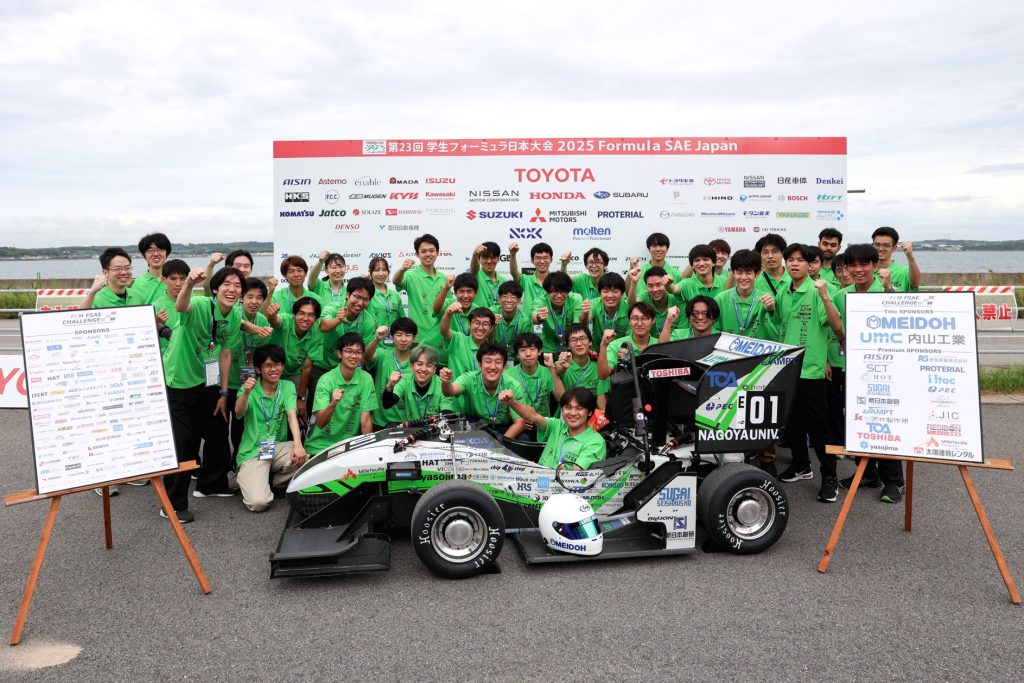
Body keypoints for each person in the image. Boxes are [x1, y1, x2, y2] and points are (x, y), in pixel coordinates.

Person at [161, 266, 246, 522]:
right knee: (184, 441)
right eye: (227, 284)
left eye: (237, 285)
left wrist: (223, 392)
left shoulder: (233, 316)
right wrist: (188, 282)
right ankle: (172, 504)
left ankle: (211, 484)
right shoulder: (199, 304)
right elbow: (181, 306)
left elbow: (226, 353)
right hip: (181, 379)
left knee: (218, 428)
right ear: (216, 288)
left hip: (208, 380)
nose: (232, 289)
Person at [771, 244, 845, 503]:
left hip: (810, 370)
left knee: (818, 425)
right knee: (791, 422)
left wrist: (825, 296)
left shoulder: (819, 290)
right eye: (789, 259)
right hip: (786, 368)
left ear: (811, 264)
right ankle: (802, 465)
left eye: (800, 260)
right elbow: (780, 324)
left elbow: (836, 327)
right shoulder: (783, 290)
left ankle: (829, 477)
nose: (794, 264)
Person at [835, 244, 905, 503]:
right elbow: (838, 330)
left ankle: (894, 482)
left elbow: (904, 316)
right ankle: (868, 473)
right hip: (854, 368)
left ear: (875, 265)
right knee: (857, 422)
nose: (858, 269)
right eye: (852, 265)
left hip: (886, 370)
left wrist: (889, 289)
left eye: (864, 264)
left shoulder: (886, 290)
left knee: (884, 424)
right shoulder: (842, 294)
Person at [233, 344, 308, 512]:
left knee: (305, 457)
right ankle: (249, 476)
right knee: (258, 503)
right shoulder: (249, 389)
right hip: (253, 452)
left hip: (276, 447)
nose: (274, 369)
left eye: (278, 364)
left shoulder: (287, 386)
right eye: (268, 365)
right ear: (259, 369)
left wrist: (298, 444)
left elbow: (291, 415)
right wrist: (246, 393)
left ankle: (275, 481)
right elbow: (239, 411)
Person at [499, 387, 607, 470]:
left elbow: (576, 474)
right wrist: (512, 403)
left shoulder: (596, 442)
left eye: (579, 408)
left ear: (590, 412)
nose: (573, 413)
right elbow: (533, 416)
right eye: (568, 408)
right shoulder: (557, 426)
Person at [305, 332, 378, 454]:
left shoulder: (366, 379)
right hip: (320, 445)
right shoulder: (326, 380)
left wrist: (368, 451)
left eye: (358, 352)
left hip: (348, 445)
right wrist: (332, 404)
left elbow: (365, 420)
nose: (354, 356)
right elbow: (321, 423)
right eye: (349, 351)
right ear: (339, 353)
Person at [226, 277, 274, 458]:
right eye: (250, 297)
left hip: (251, 381)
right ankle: (230, 463)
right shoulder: (232, 314)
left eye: (259, 297)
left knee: (246, 423)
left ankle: (244, 459)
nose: (254, 302)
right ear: (241, 298)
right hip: (228, 381)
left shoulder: (262, 320)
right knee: (225, 425)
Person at [440, 342, 527, 437]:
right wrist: (446, 382)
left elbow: (520, 423)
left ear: (504, 366)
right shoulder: (469, 379)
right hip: (476, 426)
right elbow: (450, 391)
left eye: (498, 362)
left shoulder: (513, 385)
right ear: (480, 365)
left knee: (524, 438)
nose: (493, 367)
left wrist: (501, 443)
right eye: (488, 361)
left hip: (503, 428)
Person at [315, 277, 375, 401]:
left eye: (365, 299)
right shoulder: (333, 308)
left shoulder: (368, 321)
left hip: (348, 372)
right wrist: (338, 320)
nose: (360, 303)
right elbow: (323, 326)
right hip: (323, 367)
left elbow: (364, 355)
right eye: (356, 297)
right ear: (347, 294)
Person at [394, 233, 447, 356]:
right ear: (417, 254)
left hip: (439, 338)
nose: (428, 254)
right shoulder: (410, 275)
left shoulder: (443, 279)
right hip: (418, 339)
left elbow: (446, 308)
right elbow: (397, 281)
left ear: (437, 253)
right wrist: (402, 269)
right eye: (423, 251)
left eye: (431, 251)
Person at [364, 317, 418, 428]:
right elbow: (367, 356)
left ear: (414, 338)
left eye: (408, 335)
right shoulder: (382, 354)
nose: (403, 339)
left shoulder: (418, 362)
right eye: (399, 335)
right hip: (380, 422)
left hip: (406, 423)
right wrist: (376, 339)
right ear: (392, 337)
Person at [267, 296, 321, 407]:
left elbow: (307, 368)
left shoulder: (317, 333)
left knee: (297, 410)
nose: (305, 318)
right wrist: (271, 314)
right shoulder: (286, 320)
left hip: (294, 374)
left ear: (316, 319)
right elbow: (275, 321)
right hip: (271, 370)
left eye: (311, 315)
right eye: (301, 313)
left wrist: (301, 398)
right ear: (294, 315)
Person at [381, 345, 454, 423]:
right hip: (410, 430)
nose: (423, 369)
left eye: (429, 365)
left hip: (436, 430)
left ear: (434, 369)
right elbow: (387, 404)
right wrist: (390, 386)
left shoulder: (443, 386)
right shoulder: (404, 380)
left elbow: (447, 415)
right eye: (419, 364)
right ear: (412, 366)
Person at [714, 249, 777, 340]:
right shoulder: (720, 299)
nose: (743, 277)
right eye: (739, 272)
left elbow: (775, 329)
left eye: (748, 272)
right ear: (733, 273)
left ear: (757, 273)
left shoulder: (766, 299)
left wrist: (771, 309)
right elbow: (714, 330)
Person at [598, 301, 658, 390]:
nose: (640, 323)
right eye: (635, 318)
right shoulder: (616, 345)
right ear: (629, 321)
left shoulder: (658, 345)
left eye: (645, 318)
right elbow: (603, 375)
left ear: (653, 320)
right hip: (626, 395)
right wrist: (603, 345)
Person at [510, 332, 554, 439]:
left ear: (540, 351)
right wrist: (518, 420)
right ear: (517, 354)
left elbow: (560, 397)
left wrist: (552, 368)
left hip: (544, 423)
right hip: (521, 424)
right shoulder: (508, 375)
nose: (528, 354)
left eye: (532, 349)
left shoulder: (547, 372)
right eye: (523, 350)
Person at [550, 324, 604, 410]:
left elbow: (601, 399)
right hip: (569, 414)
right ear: (568, 345)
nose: (579, 344)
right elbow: (558, 370)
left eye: (582, 338)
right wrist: (562, 367)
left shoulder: (599, 367)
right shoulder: (562, 363)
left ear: (590, 342)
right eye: (573, 340)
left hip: (592, 417)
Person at [531, 271, 586, 353]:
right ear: (547, 291)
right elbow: (534, 318)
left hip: (571, 346)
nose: (559, 295)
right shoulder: (540, 301)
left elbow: (578, 325)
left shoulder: (575, 299)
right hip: (547, 349)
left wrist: (586, 313)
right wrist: (539, 317)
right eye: (555, 291)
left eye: (563, 291)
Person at [442, 305, 495, 381]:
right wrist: (448, 314)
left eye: (485, 324)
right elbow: (444, 331)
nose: (480, 327)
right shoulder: (458, 339)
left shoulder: (493, 351)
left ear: (491, 328)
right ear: (469, 324)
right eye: (476, 323)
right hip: (456, 392)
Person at [628, 266, 683, 339]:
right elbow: (633, 305)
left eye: (658, 285)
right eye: (650, 286)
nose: (655, 289)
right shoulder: (644, 296)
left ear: (665, 284)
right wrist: (634, 282)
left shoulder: (677, 301)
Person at [634, 232, 683, 300]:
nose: (658, 249)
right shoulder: (638, 272)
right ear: (649, 249)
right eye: (654, 246)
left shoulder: (677, 274)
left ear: (667, 249)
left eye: (661, 245)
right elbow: (628, 295)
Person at [509, 241, 555, 312]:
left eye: (545, 258)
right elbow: (514, 272)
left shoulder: (555, 280)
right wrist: (513, 253)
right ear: (532, 260)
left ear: (551, 260)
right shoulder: (526, 280)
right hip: (528, 322)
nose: (542, 261)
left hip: (550, 322)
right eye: (538, 258)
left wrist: (564, 264)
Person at [871, 226, 920, 292]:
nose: (880, 249)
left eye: (886, 245)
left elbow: (915, 286)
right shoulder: (864, 270)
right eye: (877, 245)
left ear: (894, 248)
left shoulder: (904, 271)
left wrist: (910, 256)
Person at [434, 272, 478, 339]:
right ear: (455, 293)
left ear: (476, 293)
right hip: (443, 348)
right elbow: (436, 309)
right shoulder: (448, 304)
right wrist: (446, 288)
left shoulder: (478, 311)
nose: (465, 296)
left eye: (469, 291)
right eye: (461, 291)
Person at [131, 232, 171, 304]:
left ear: (167, 253)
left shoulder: (177, 280)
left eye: (160, 249)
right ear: (144, 255)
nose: (155, 254)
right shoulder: (137, 284)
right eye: (150, 250)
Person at [588, 272, 629, 342]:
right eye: (605, 291)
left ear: (622, 294)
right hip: (596, 350)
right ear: (600, 293)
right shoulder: (594, 303)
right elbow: (584, 322)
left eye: (615, 291)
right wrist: (585, 313)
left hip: (621, 350)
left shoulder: (628, 307)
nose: (610, 295)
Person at [366, 256, 405, 330]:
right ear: (370, 272)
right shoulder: (367, 294)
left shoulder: (395, 295)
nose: (381, 274)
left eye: (384, 270)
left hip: (394, 339)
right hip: (373, 339)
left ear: (388, 272)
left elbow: (402, 320)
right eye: (377, 270)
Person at [469, 241, 508, 309]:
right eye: (485, 257)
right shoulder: (475, 277)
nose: (489, 261)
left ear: (498, 259)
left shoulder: (504, 281)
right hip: (479, 318)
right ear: (479, 259)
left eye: (493, 257)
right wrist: (475, 254)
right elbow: (474, 269)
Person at [753, 233, 790, 297]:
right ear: (760, 256)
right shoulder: (755, 282)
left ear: (783, 254)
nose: (770, 256)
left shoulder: (794, 277)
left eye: (775, 251)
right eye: (765, 252)